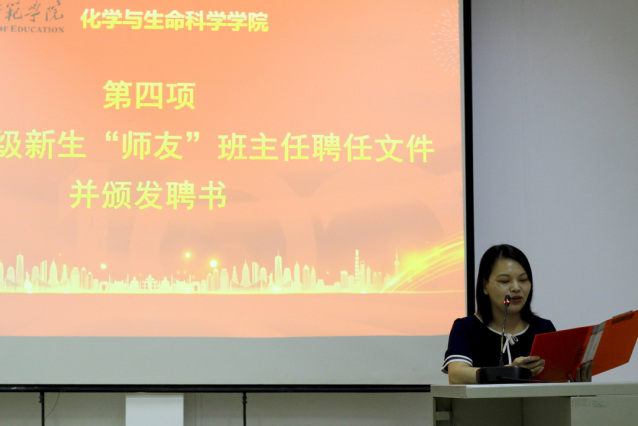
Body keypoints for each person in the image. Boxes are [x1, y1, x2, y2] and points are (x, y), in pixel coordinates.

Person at [442, 244, 593, 384]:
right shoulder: (466, 328)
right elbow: (456, 375)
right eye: (504, 281)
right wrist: (510, 371)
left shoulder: (543, 329)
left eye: (523, 279)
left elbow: (555, 384)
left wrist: (578, 385)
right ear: (485, 286)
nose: (516, 288)